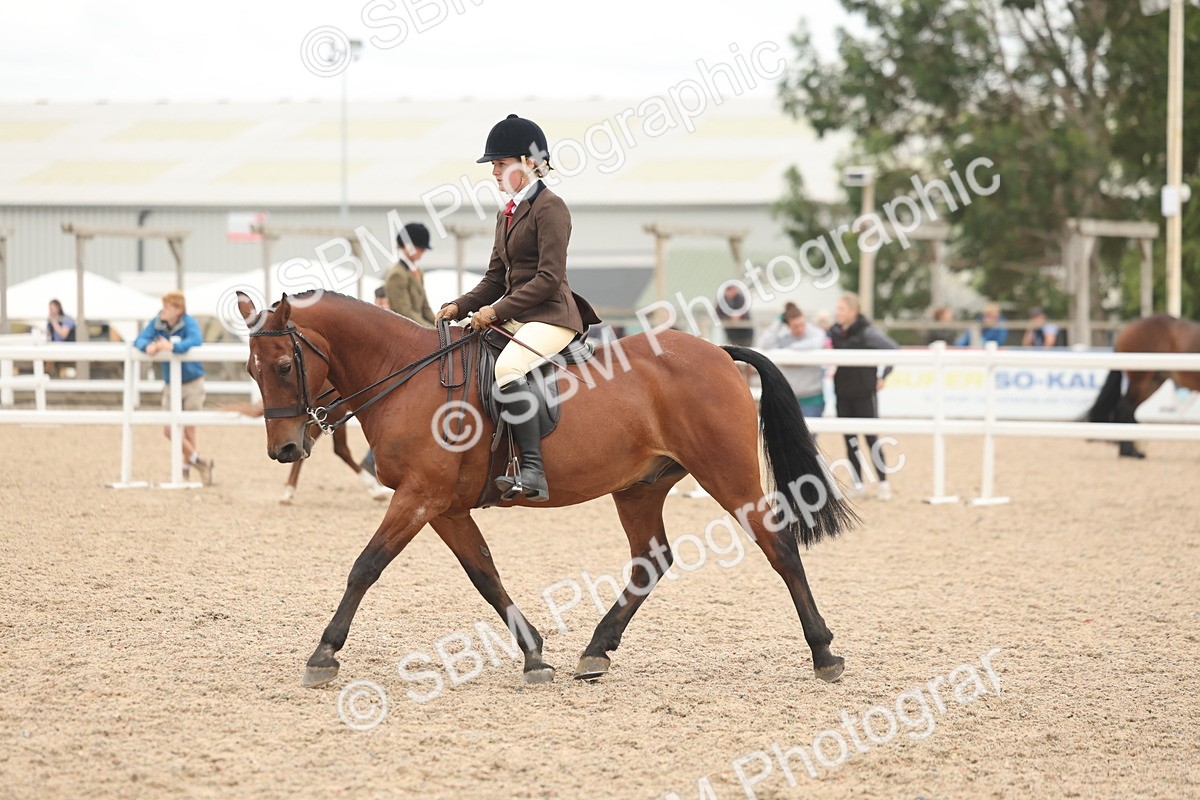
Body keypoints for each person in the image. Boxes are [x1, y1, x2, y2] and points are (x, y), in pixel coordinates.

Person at [435, 113, 601, 503]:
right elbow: (495, 278)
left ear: (527, 163)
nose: (493, 171)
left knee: (509, 368)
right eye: (494, 165)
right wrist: (459, 306)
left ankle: (533, 470)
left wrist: (493, 313)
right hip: (519, 316)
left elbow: (547, 278)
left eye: (500, 163)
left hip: (552, 315)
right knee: (469, 356)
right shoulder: (506, 213)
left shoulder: (551, 208)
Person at [134, 291, 213, 485]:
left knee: (189, 429)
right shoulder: (157, 323)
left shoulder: (189, 323)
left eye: (167, 307)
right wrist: (148, 347)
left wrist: (171, 347)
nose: (163, 310)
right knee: (169, 429)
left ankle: (186, 471)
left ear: (178, 309)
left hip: (192, 381)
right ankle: (199, 462)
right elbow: (140, 339)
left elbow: (195, 340)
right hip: (172, 383)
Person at [828, 292, 899, 501]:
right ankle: (858, 484)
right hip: (843, 392)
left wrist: (883, 375)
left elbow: (893, 350)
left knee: (871, 439)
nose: (837, 312)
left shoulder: (868, 333)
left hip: (865, 393)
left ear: (853, 311)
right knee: (850, 441)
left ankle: (883, 483)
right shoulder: (835, 332)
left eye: (841, 309)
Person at [757, 303, 827, 418]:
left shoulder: (815, 333)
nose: (799, 329)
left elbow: (817, 343)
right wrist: (778, 322)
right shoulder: (783, 335)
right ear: (788, 325)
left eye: (801, 325)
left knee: (810, 435)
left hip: (812, 396)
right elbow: (764, 343)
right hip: (788, 396)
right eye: (795, 326)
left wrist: (787, 351)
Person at [385, 222, 435, 326]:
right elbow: (404, 312)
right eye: (420, 248)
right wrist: (431, 330)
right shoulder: (397, 274)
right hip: (404, 331)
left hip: (420, 327)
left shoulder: (418, 271)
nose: (423, 251)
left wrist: (442, 326)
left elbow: (425, 307)